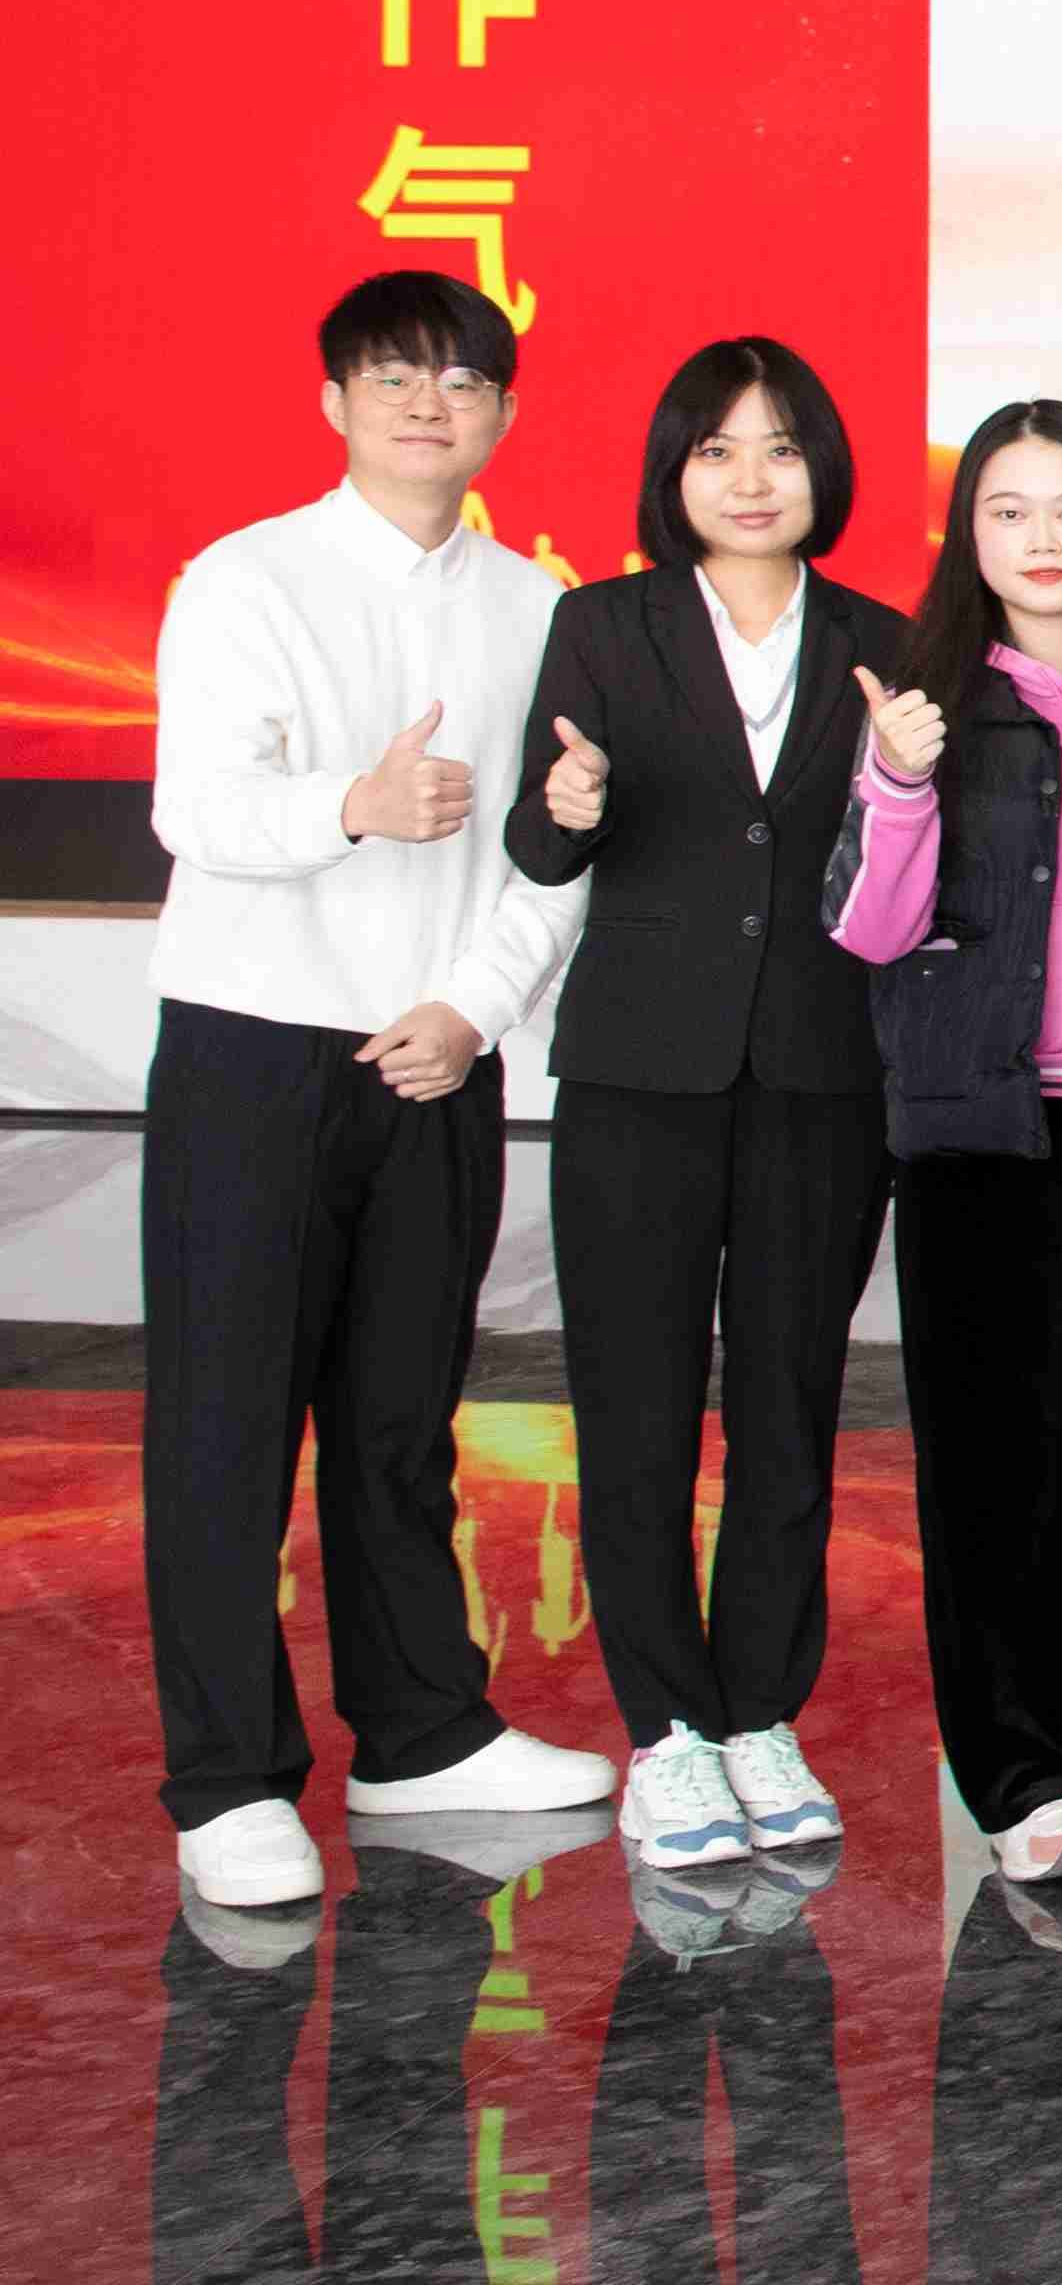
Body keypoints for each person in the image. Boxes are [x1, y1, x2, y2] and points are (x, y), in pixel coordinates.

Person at [140, 272, 612, 1908]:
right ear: (335, 400)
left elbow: (558, 848)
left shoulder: (540, 609)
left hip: (437, 1056)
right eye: (395, 376)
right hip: (255, 1049)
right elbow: (196, 809)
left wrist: (475, 1012)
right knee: (226, 1426)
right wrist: (355, 802)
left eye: (463, 380)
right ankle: (226, 1781)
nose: (429, 403)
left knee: (403, 1420)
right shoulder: (244, 578)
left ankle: (419, 1735)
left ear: (504, 413)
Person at [502, 336, 908, 1873]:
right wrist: (567, 808)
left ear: (823, 473)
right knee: (638, 1410)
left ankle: (759, 1716)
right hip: (637, 1077)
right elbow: (544, 848)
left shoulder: (884, 641)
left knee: (791, 1408)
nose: (750, 479)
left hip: (821, 1077)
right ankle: (668, 1733)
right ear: (674, 473)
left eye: (781, 448)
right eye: (718, 449)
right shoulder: (602, 627)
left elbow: (900, 865)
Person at [820, 397, 1062, 1886]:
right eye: (1008, 511)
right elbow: (867, 928)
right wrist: (898, 779)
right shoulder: (922, 696)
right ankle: (1029, 1772)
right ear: (967, 533)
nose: (1043, 540)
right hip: (979, 1114)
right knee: (996, 1451)